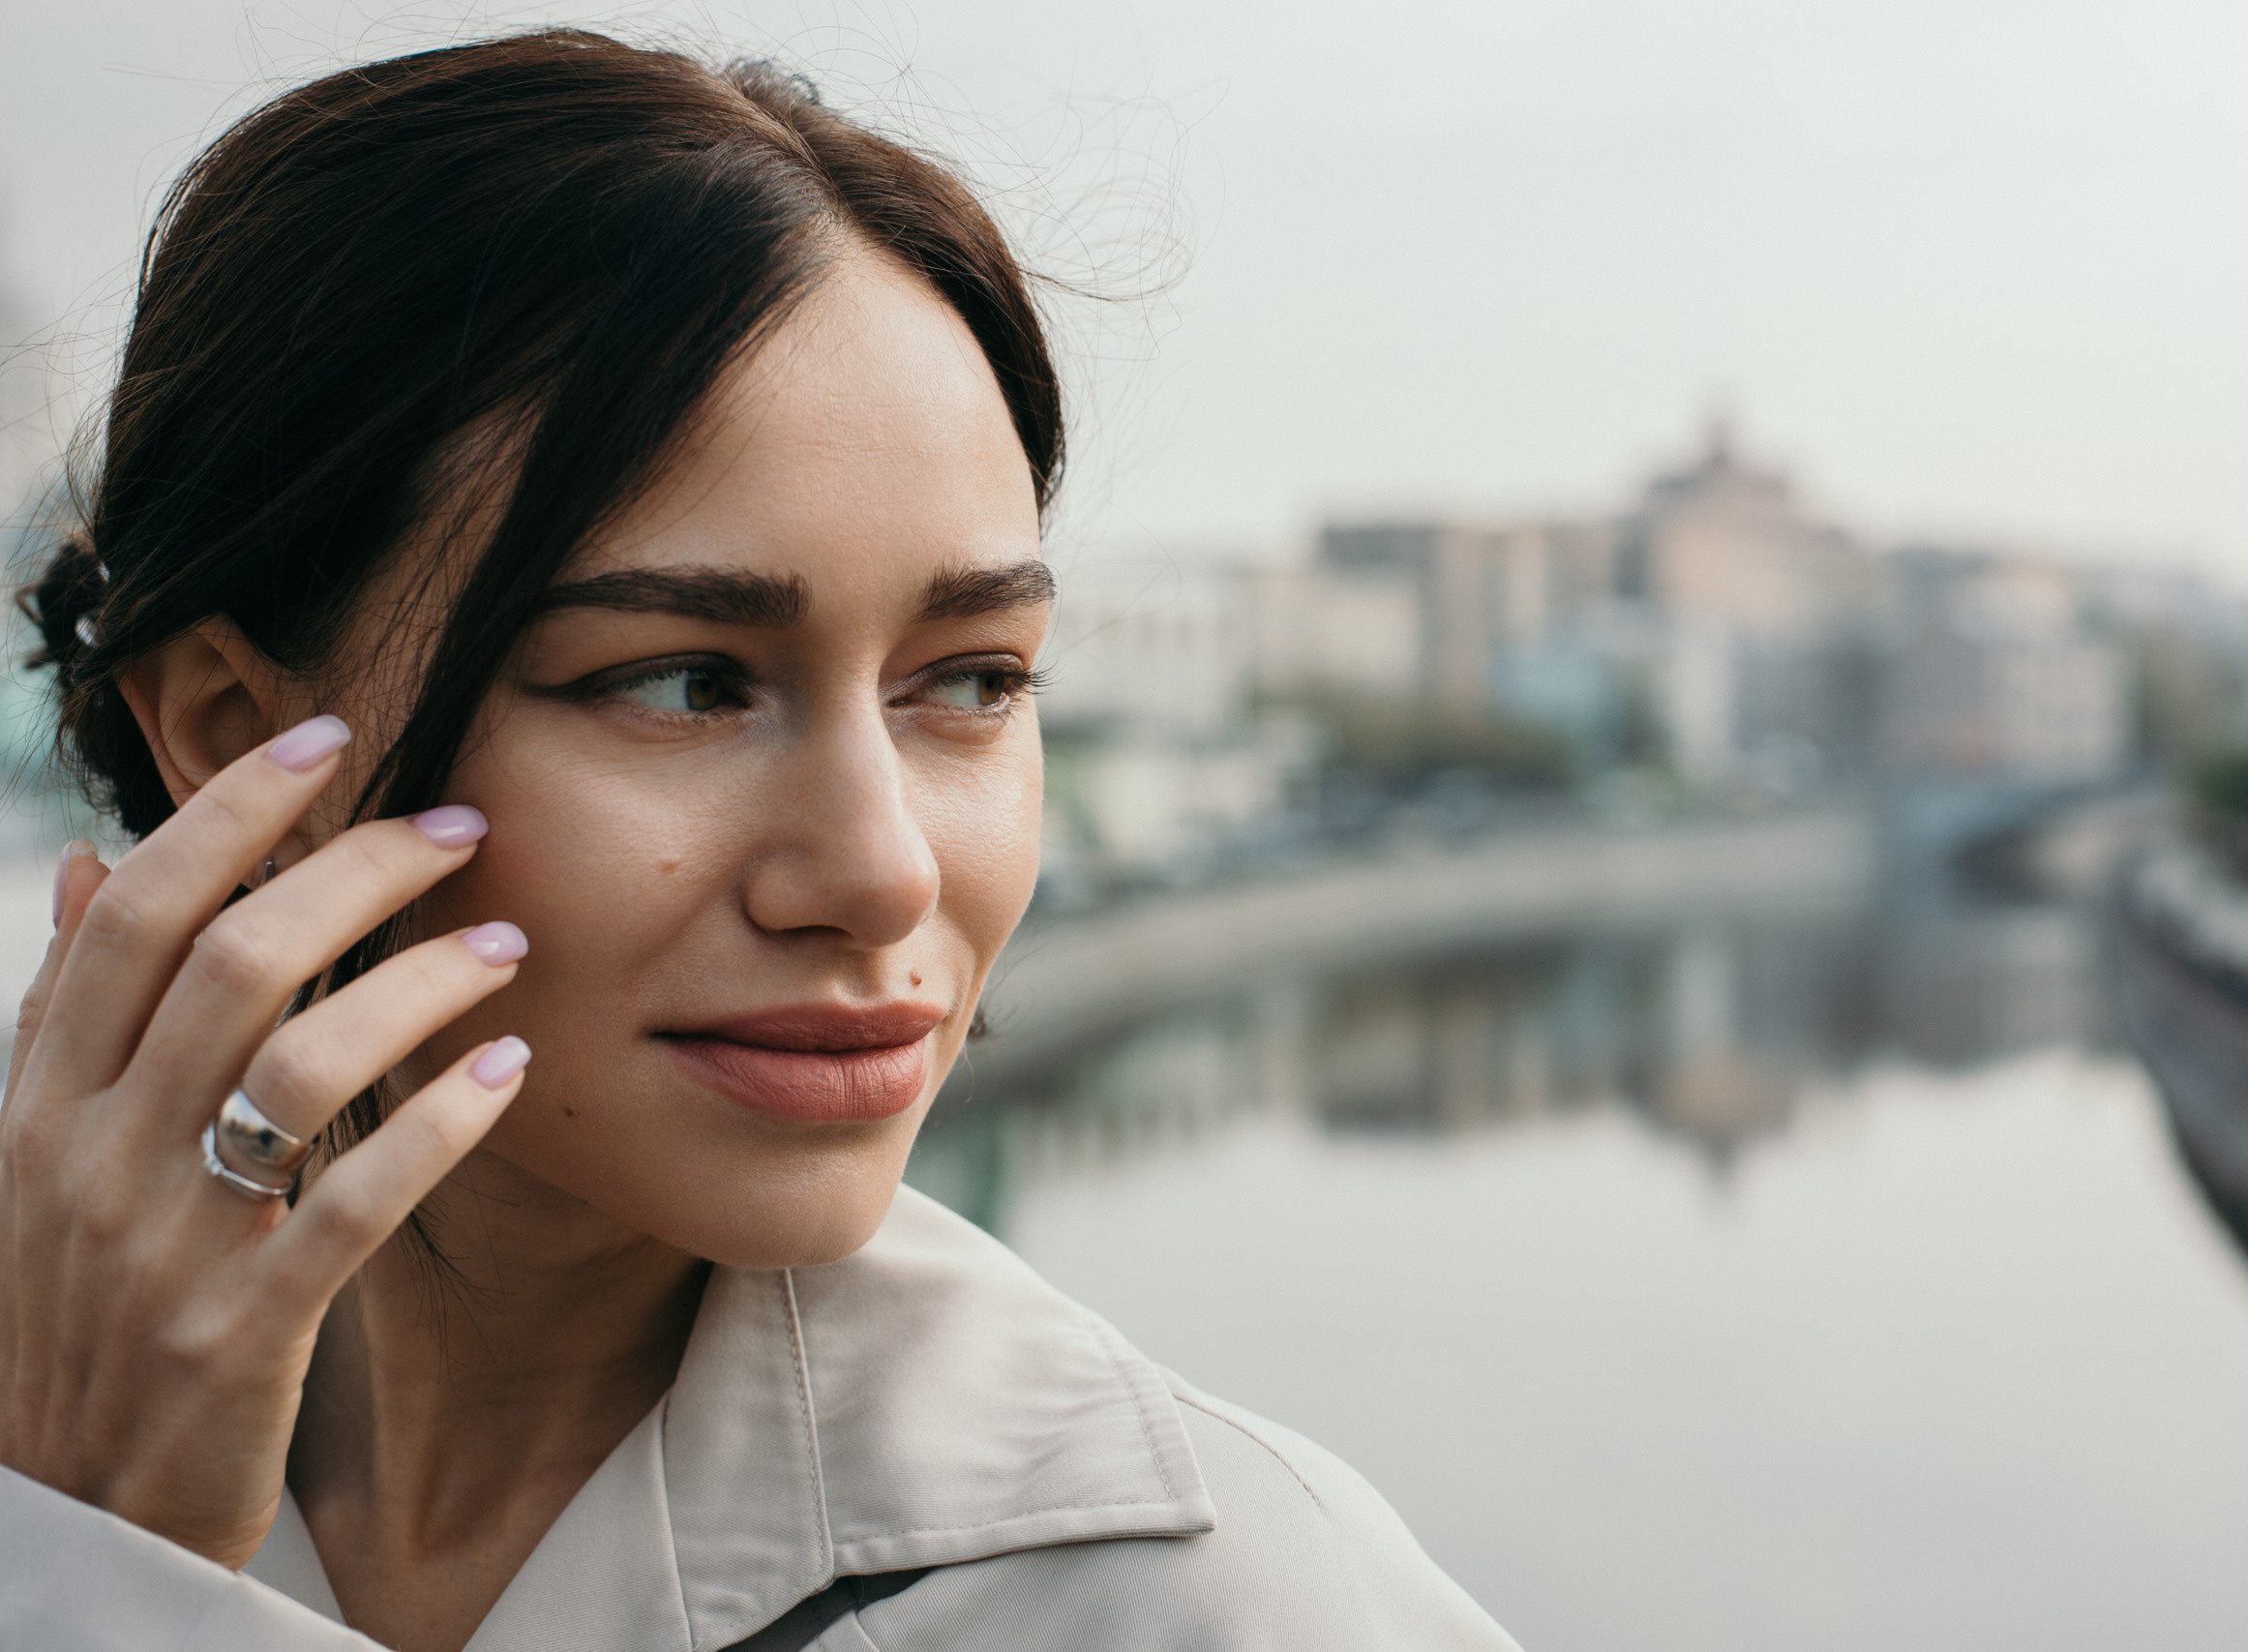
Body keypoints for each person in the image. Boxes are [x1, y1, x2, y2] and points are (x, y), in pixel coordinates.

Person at [0, 30, 1520, 1652]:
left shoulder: (1225, 1610)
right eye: (686, 683)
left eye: (974, 682)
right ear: (240, 737)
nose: (886, 873)